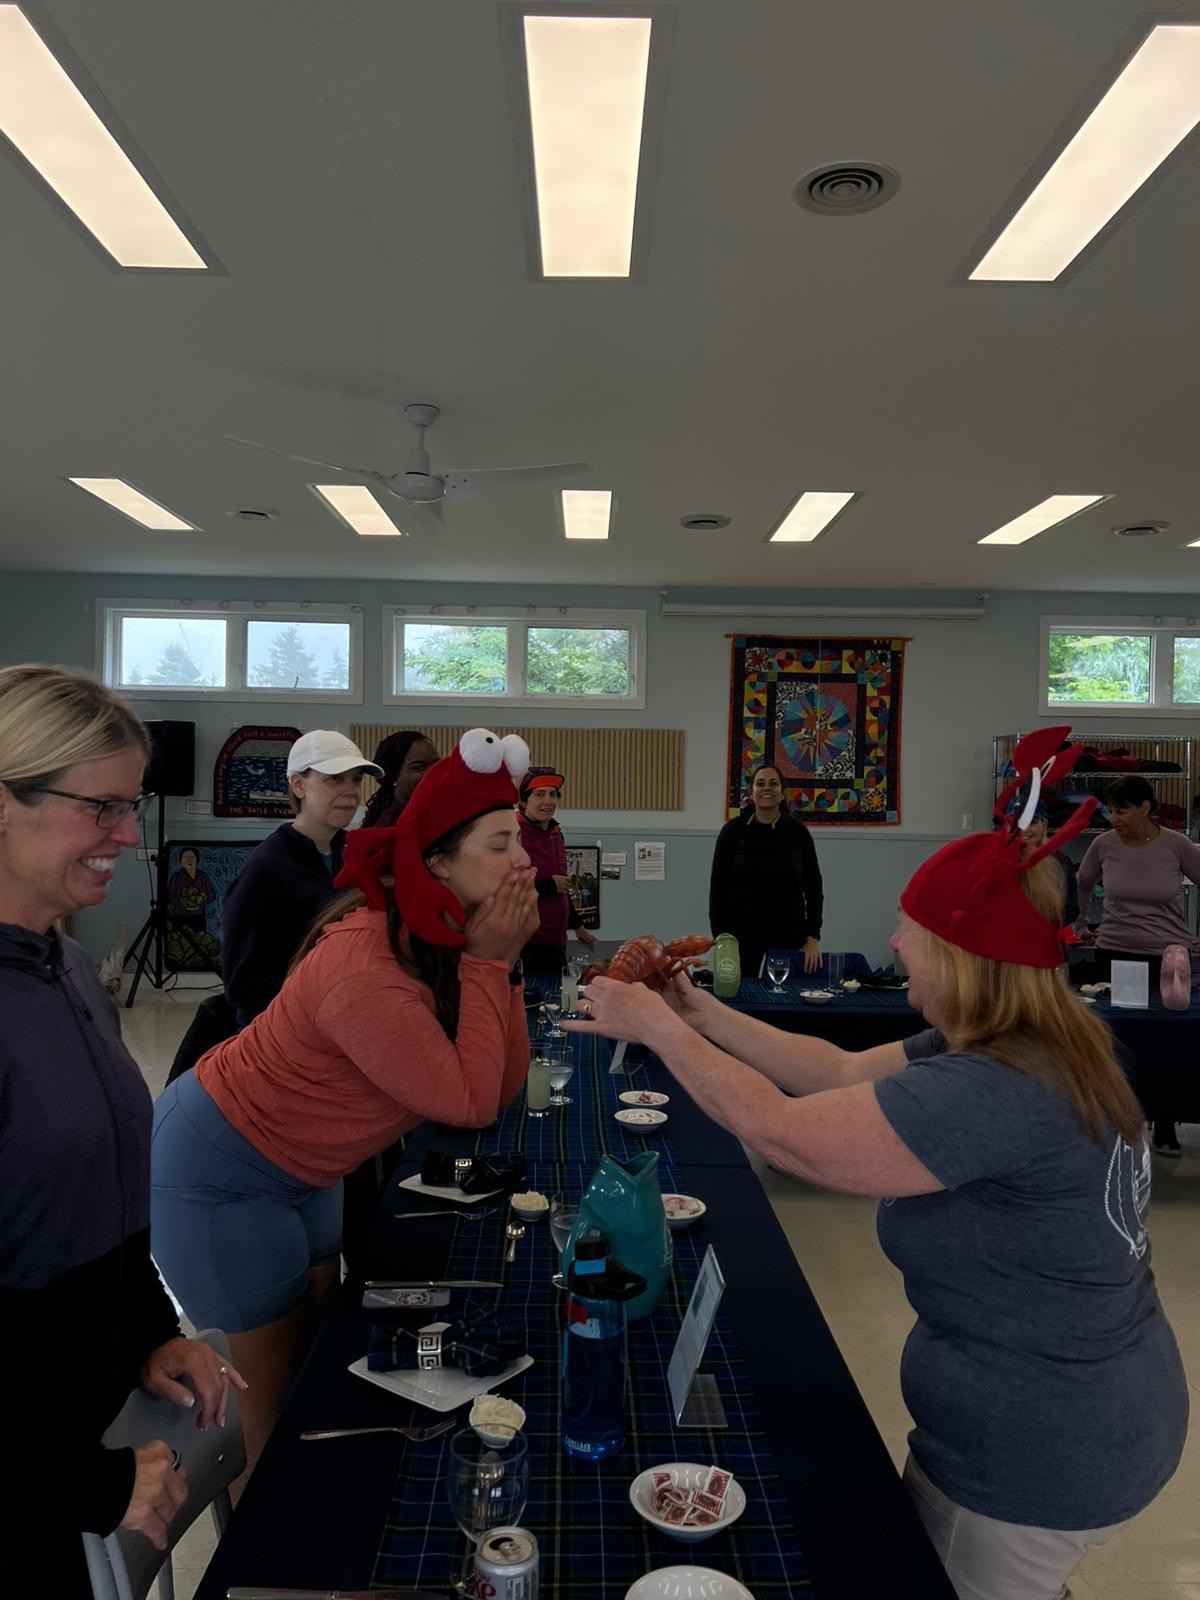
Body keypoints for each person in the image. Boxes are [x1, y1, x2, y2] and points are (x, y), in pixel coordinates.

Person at [568, 731, 1187, 1600]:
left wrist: (655, 1029)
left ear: (966, 957)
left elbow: (787, 1133)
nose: (894, 944)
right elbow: (837, 1070)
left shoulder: (997, 1085)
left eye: (912, 930)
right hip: (1101, 1417)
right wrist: (698, 1013)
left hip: (1037, 1457)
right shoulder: (1035, 1036)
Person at [150, 729, 538, 1486]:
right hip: (223, 1168)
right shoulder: (368, 961)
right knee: (268, 1393)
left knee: (320, 1358)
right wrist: (493, 963)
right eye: (500, 845)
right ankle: (265, 1551)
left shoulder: (439, 931)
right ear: (438, 863)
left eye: (517, 840)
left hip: (309, 1166)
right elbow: (466, 1105)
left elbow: (498, 1086)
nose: (523, 862)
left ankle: (319, 1505)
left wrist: (503, 967)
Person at [0, 665, 244, 1595]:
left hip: (88, 1419)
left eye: (131, 806)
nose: (129, 837)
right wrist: (90, 1476)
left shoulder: (62, 964)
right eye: (101, 808)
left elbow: (96, 1206)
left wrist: (151, 1333)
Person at [1074, 774, 1200, 1158]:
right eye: (1110, 810)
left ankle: (1163, 1121)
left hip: (1168, 958)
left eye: (1122, 810)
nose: (1114, 818)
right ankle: (1113, 1121)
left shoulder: (1177, 845)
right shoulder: (1103, 844)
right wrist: (1082, 922)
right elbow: (1083, 880)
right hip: (1114, 952)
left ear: (1146, 807)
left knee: (1166, 1041)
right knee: (1114, 1040)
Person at [220, 730, 382, 1029]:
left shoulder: (355, 856)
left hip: (342, 1023)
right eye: (335, 779)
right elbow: (242, 984)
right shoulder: (267, 868)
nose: (350, 791)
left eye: (356, 779)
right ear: (298, 785)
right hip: (282, 1033)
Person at [709, 763, 823, 978]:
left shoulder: (798, 832)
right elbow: (717, 890)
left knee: (786, 1007)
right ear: (752, 792)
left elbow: (814, 889)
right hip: (740, 943)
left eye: (773, 784)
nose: (766, 788)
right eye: (760, 784)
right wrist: (722, 940)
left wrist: (812, 939)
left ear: (782, 793)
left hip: (789, 942)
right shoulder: (732, 832)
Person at [516, 765, 597, 975]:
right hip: (525, 944)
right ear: (524, 801)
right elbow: (502, 890)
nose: (548, 801)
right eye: (539, 794)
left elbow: (562, 886)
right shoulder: (512, 834)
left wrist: (578, 927)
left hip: (556, 942)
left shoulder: (556, 834)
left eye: (553, 794)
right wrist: (548, 885)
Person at [360, 729, 440, 829]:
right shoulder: (390, 826)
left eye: (437, 765)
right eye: (419, 768)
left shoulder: (429, 813)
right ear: (394, 776)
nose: (432, 772)